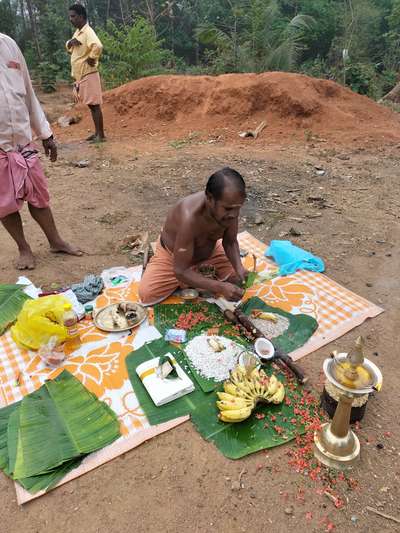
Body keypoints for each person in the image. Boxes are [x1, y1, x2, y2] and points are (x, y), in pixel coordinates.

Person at [0, 33, 82, 270]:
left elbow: (28, 92)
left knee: (38, 195)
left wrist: (46, 134)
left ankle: (55, 241)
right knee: (5, 204)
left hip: (24, 143)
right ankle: (24, 248)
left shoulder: (9, 44)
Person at [139, 168, 249, 305]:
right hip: (175, 256)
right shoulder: (189, 218)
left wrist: (239, 268)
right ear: (210, 198)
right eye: (227, 209)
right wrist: (219, 286)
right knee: (147, 293)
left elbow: (230, 242)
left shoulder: (230, 210)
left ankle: (197, 277)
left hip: (209, 252)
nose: (233, 214)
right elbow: (180, 270)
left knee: (238, 279)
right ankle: (194, 278)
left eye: (238, 207)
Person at [66, 4, 105, 142]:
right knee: (91, 105)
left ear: (81, 17)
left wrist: (92, 58)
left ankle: (100, 135)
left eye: (73, 16)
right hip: (81, 75)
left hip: (89, 73)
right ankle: (97, 134)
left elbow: (98, 46)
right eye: (70, 16)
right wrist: (70, 42)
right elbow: (71, 47)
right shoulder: (78, 32)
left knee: (94, 105)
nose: (71, 19)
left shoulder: (88, 32)